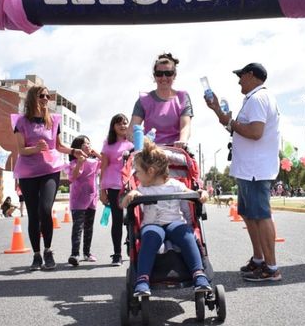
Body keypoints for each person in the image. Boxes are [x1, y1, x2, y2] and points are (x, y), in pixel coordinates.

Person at [205, 62, 282, 282]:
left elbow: (255, 132)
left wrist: (232, 122)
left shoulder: (258, 99)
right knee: (249, 216)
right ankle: (259, 260)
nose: (239, 80)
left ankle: (271, 267)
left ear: (251, 75)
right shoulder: (253, 99)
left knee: (261, 216)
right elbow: (233, 125)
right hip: (248, 170)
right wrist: (217, 110)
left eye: (241, 76)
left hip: (256, 169)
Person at [119, 140, 211, 296]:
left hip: (175, 222)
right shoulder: (141, 189)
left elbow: (192, 195)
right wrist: (130, 196)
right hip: (152, 224)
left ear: (150, 171)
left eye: (139, 172)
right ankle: (142, 279)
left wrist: (202, 193)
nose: (136, 175)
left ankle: (198, 274)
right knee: (150, 236)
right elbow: (122, 205)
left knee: (187, 236)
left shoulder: (175, 185)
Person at [13, 86, 86, 271]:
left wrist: (74, 151)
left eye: (47, 96)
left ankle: (48, 250)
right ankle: (37, 255)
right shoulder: (21, 122)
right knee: (33, 214)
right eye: (41, 96)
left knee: (45, 209)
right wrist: (35, 149)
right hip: (28, 173)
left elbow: (59, 146)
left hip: (49, 170)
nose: (45, 99)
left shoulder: (53, 120)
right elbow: (21, 149)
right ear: (32, 98)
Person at [129, 53, 193, 148]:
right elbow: (132, 129)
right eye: (159, 74)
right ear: (155, 76)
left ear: (174, 75)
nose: (163, 78)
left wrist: (182, 140)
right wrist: (137, 139)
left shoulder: (182, 97)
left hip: (176, 151)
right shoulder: (143, 100)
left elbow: (185, 126)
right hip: (150, 152)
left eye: (168, 73)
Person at [100, 113, 134, 266]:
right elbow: (104, 167)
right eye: (118, 123)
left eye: (125, 122)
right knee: (117, 220)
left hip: (132, 185)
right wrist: (102, 190)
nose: (123, 125)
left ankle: (132, 243)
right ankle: (117, 254)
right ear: (113, 126)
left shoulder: (134, 142)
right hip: (114, 185)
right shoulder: (108, 143)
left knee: (134, 218)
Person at [67, 135, 101, 267]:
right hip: (78, 199)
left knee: (89, 227)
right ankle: (74, 254)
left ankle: (87, 253)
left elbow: (105, 162)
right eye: (84, 144)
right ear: (77, 148)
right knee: (78, 227)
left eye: (88, 142)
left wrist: (96, 153)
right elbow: (72, 177)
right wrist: (80, 162)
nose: (88, 145)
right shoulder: (74, 163)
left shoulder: (94, 161)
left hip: (92, 198)